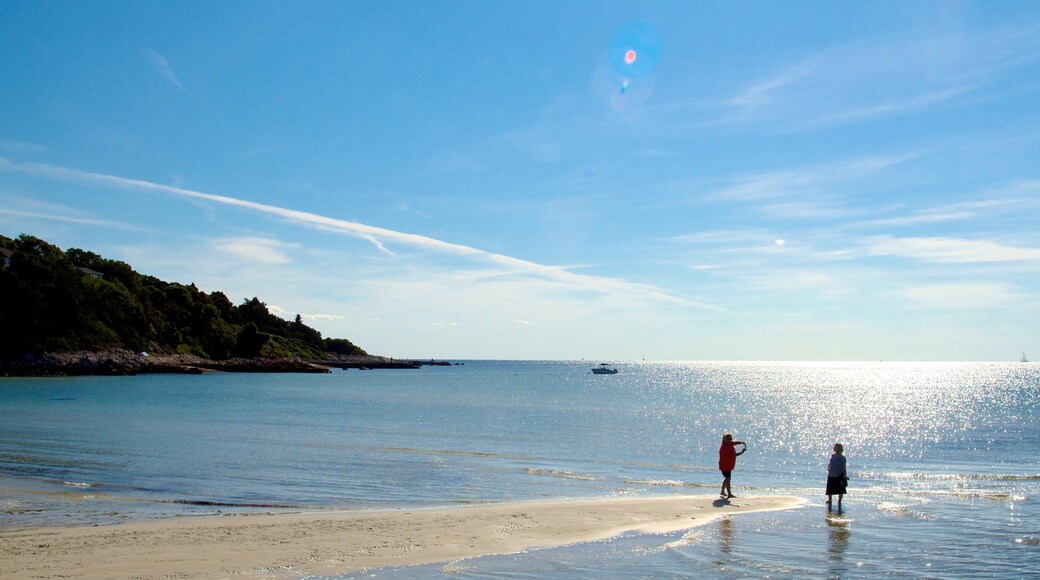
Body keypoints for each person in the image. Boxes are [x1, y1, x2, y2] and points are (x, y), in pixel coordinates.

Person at [718, 433, 746, 498]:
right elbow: (734, 455)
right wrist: (742, 452)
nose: (730, 440)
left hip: (727, 465)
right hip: (725, 466)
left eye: (731, 439)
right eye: (729, 439)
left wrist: (740, 442)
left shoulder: (728, 444)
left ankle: (722, 491)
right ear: (725, 440)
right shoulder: (725, 448)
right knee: (728, 479)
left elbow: (733, 443)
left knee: (727, 478)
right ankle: (729, 493)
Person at [826, 443, 848, 510]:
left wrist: (844, 476)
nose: (834, 448)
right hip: (831, 475)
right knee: (830, 489)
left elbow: (844, 467)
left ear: (839, 449)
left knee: (840, 490)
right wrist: (829, 468)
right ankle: (830, 500)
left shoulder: (842, 458)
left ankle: (839, 501)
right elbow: (830, 463)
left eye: (835, 447)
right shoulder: (832, 456)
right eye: (834, 447)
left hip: (839, 475)